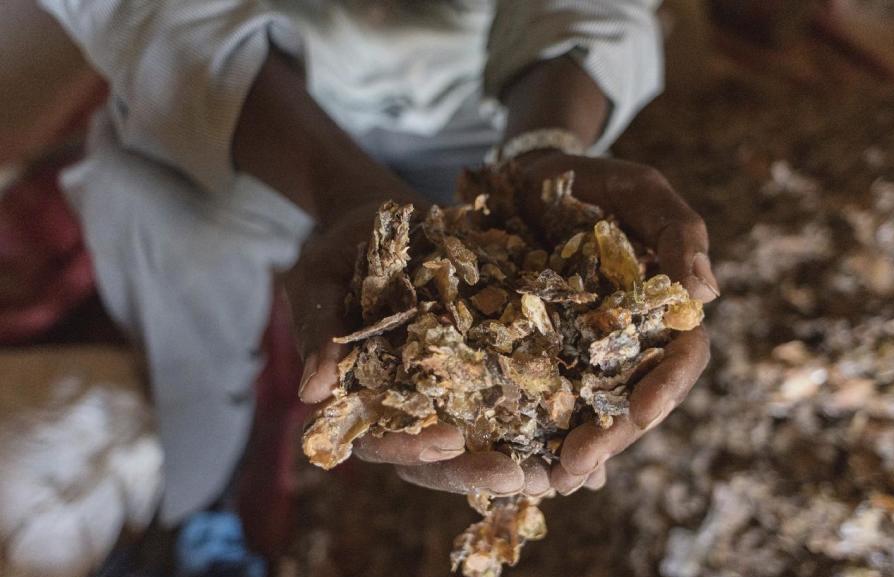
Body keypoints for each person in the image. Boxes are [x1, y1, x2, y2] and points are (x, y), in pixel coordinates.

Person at [34, 0, 719, 526]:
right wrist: (339, 190)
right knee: (187, 315)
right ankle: (200, 500)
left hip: (492, 93)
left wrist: (540, 149)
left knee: (385, 390)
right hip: (225, 92)